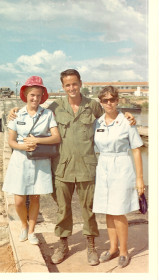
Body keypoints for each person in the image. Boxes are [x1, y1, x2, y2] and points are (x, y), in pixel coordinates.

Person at [8, 69, 135, 265]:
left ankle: (91, 246)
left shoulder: (92, 106)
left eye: (74, 84)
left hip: (87, 167)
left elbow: (111, 114)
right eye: (67, 85)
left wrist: (127, 115)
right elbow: (34, 111)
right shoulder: (55, 108)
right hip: (62, 167)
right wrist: (14, 111)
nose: (71, 88)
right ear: (63, 86)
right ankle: (63, 244)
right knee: (62, 209)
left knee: (89, 209)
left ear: (80, 83)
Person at [2, 76, 61, 245]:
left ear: (43, 96)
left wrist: (37, 141)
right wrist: (23, 147)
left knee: (35, 196)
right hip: (20, 159)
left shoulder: (48, 114)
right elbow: (11, 141)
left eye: (38, 95)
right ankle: (23, 225)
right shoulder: (17, 114)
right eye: (32, 95)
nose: (35, 98)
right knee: (19, 199)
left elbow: (56, 137)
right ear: (26, 95)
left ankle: (32, 230)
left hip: (39, 159)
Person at [92, 86, 145, 268]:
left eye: (112, 99)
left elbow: (136, 150)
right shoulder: (97, 123)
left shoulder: (126, 122)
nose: (109, 103)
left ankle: (124, 251)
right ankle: (113, 248)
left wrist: (140, 179)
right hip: (103, 166)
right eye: (105, 100)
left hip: (121, 166)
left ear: (118, 100)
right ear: (101, 102)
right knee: (108, 209)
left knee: (118, 210)